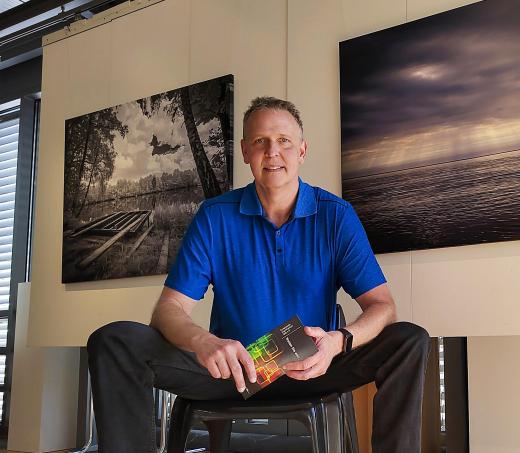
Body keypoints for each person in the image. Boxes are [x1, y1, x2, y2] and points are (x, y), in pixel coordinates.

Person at [87, 96, 431, 453]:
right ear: (245, 151)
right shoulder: (214, 217)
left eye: (283, 141)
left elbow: (383, 306)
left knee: (409, 339)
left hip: (314, 366)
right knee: (113, 340)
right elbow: (167, 310)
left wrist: (338, 341)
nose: (273, 152)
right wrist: (202, 341)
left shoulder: (337, 216)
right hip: (233, 371)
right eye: (260, 141)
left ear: (302, 150)